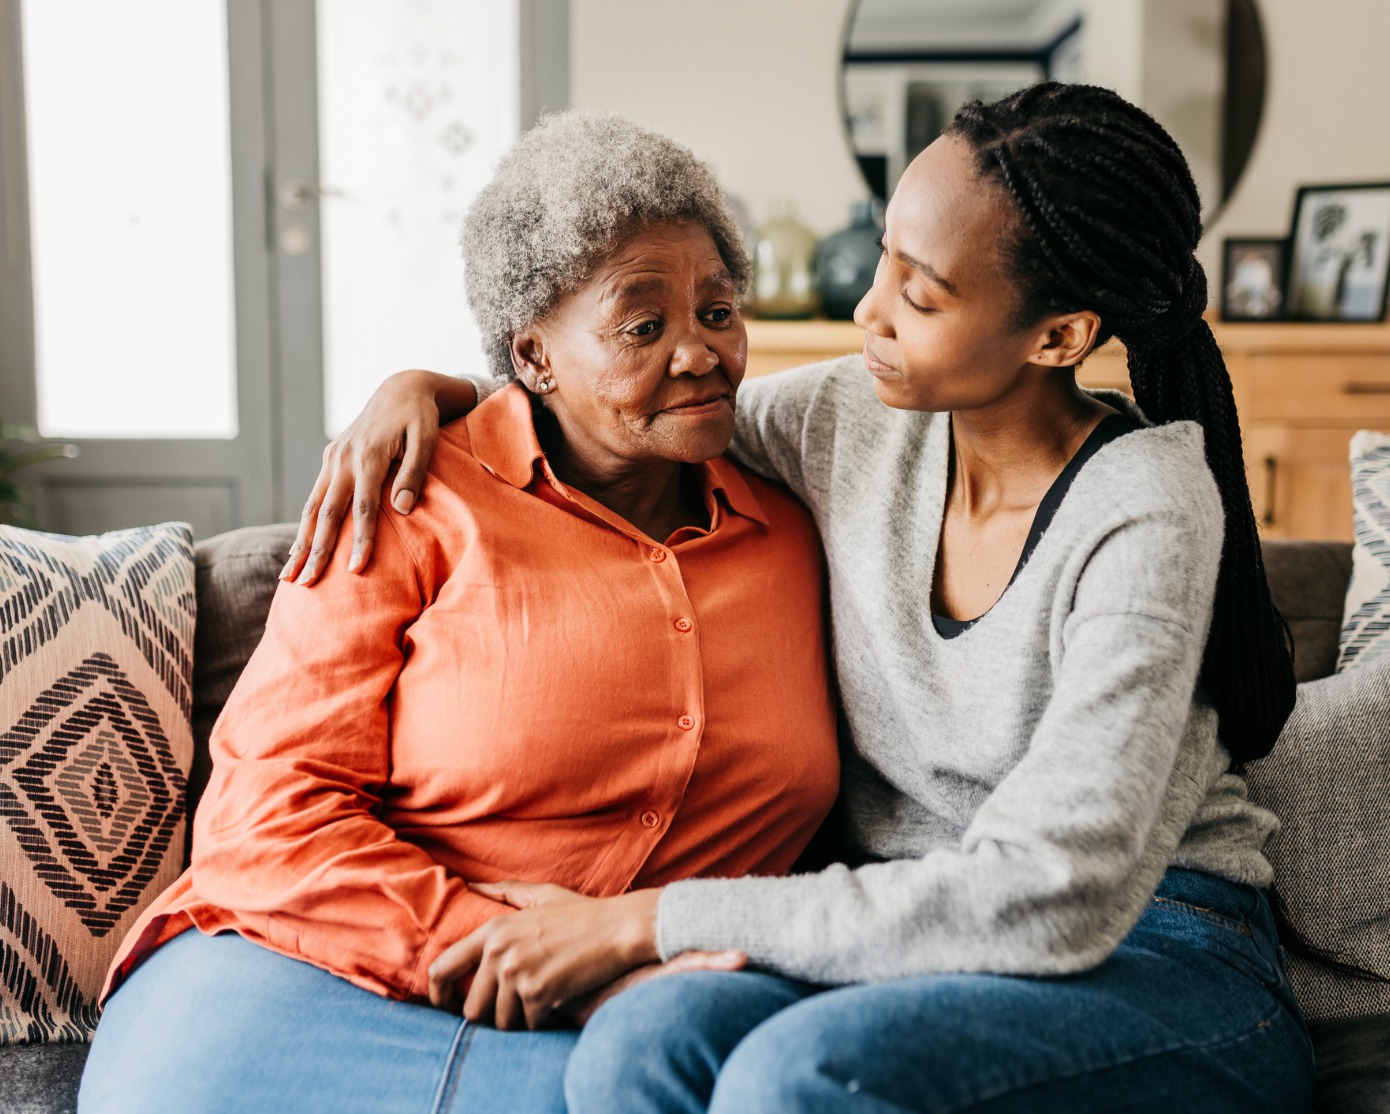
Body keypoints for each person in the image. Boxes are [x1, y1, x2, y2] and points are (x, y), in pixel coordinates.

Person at [284, 83, 1315, 1112]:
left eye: (920, 295)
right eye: (883, 260)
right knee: (640, 1042)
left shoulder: (1146, 503)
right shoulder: (853, 417)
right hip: (905, 946)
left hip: (1158, 948)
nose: (868, 311)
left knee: (801, 1079)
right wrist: (430, 389)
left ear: (1058, 335)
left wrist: (647, 921)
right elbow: (630, 404)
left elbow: (1055, 894)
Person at [77, 112, 840, 1114]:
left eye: (718, 311)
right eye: (643, 326)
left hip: (648, 1009)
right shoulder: (407, 494)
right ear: (533, 357)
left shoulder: (800, 519)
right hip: (314, 965)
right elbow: (267, 811)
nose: (700, 354)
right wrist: (499, 939)